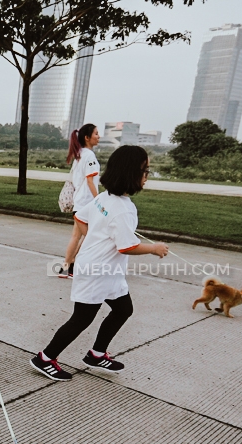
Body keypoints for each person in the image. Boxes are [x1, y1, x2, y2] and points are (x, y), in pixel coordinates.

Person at [30, 145, 169, 381]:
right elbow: (127, 247)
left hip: (108, 272)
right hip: (96, 271)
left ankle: (96, 354)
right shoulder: (123, 210)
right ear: (130, 173)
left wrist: (96, 235)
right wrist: (154, 248)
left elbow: (80, 216)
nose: (147, 175)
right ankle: (45, 358)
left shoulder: (105, 198)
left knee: (123, 310)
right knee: (82, 318)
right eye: (144, 170)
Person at [58, 124, 101, 279]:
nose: (99, 136)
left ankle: (67, 268)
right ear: (87, 138)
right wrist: (99, 201)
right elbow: (90, 182)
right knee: (91, 238)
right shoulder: (89, 156)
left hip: (80, 202)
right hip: (86, 203)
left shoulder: (79, 155)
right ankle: (72, 266)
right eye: (96, 134)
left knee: (77, 236)